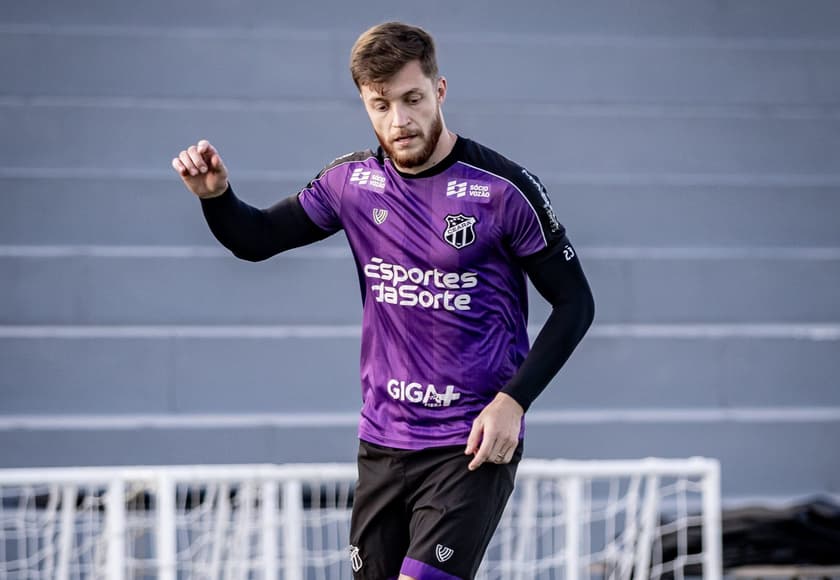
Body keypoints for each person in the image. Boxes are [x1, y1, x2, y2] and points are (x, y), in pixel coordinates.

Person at [172, 21, 594, 580]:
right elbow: (255, 240)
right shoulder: (351, 183)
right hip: (383, 440)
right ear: (364, 103)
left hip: (469, 442)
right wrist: (217, 198)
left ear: (439, 91)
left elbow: (575, 304)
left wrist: (513, 403)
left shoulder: (502, 190)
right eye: (381, 105)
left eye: (413, 100)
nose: (400, 121)